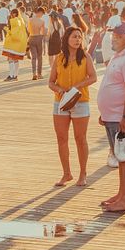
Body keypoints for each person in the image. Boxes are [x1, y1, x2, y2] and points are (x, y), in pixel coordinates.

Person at [97, 21, 125, 213]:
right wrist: (105, 113)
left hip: (122, 118)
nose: (113, 38)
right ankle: (120, 194)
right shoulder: (119, 55)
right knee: (119, 156)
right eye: (113, 34)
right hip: (112, 116)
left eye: (118, 35)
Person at [48, 25, 97, 186]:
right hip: (61, 102)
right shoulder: (60, 58)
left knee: (80, 138)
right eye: (74, 37)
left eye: (79, 37)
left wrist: (77, 86)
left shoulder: (86, 57)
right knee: (61, 138)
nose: (77, 40)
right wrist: (59, 89)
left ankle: (83, 173)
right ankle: (66, 173)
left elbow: (93, 77)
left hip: (80, 101)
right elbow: (51, 82)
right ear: (67, 39)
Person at [2, 7, 29, 81]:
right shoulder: (21, 20)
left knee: (10, 59)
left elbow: (13, 33)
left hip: (13, 43)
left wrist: (6, 29)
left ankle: (11, 75)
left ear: (13, 14)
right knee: (16, 59)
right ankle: (15, 76)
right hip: (20, 43)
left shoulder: (15, 21)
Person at [28, 6, 48, 80]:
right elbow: (43, 32)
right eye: (42, 13)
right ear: (40, 12)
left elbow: (28, 30)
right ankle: (39, 74)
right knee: (39, 57)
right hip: (39, 38)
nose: (42, 15)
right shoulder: (42, 21)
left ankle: (34, 73)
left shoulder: (30, 20)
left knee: (33, 57)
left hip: (31, 37)